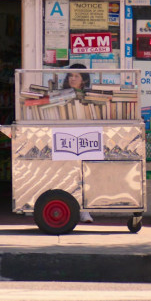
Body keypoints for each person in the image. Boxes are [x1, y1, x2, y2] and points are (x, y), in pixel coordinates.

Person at [64, 63, 94, 223]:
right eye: (70, 75)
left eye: (76, 76)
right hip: (67, 138)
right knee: (69, 176)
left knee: (86, 176)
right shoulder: (62, 95)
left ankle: (85, 211)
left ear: (83, 79)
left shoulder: (91, 95)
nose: (72, 78)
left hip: (86, 138)